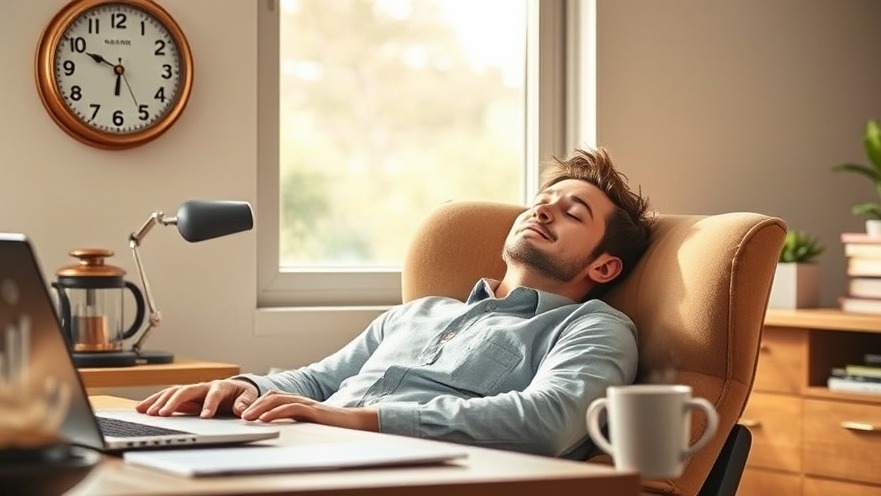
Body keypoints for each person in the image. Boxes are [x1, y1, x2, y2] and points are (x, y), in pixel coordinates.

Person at [136, 147, 653, 460]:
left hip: (400, 470)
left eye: (572, 212)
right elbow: (317, 382)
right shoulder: (419, 313)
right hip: (305, 451)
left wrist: (356, 420)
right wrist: (241, 387)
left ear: (603, 266)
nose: (544, 210)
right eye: (543, 199)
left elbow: (549, 422)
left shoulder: (592, 326)